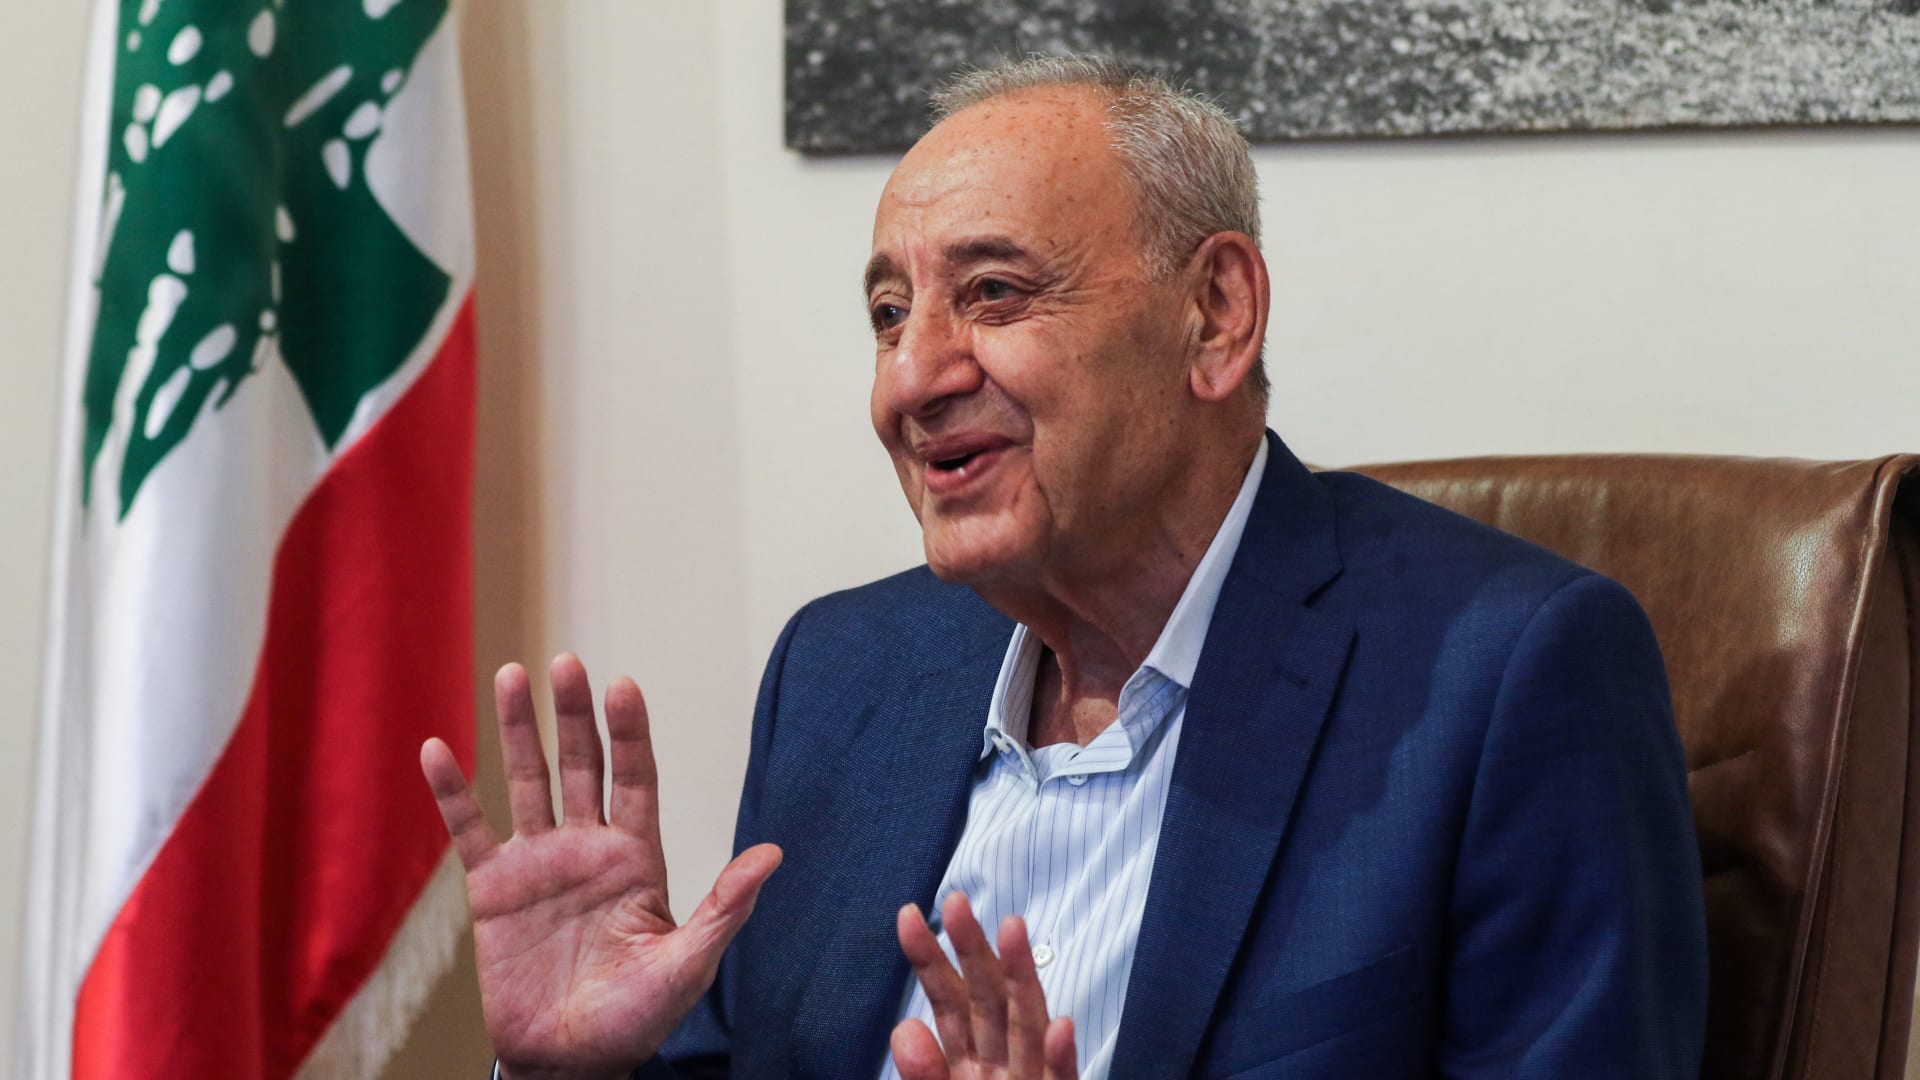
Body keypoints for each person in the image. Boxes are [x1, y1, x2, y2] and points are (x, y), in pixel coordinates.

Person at [420, 55, 1708, 1080]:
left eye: (992, 294)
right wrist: (577, 1074)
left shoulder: (1506, 678)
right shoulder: (844, 673)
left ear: (1215, 316)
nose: (913, 380)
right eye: (888, 315)